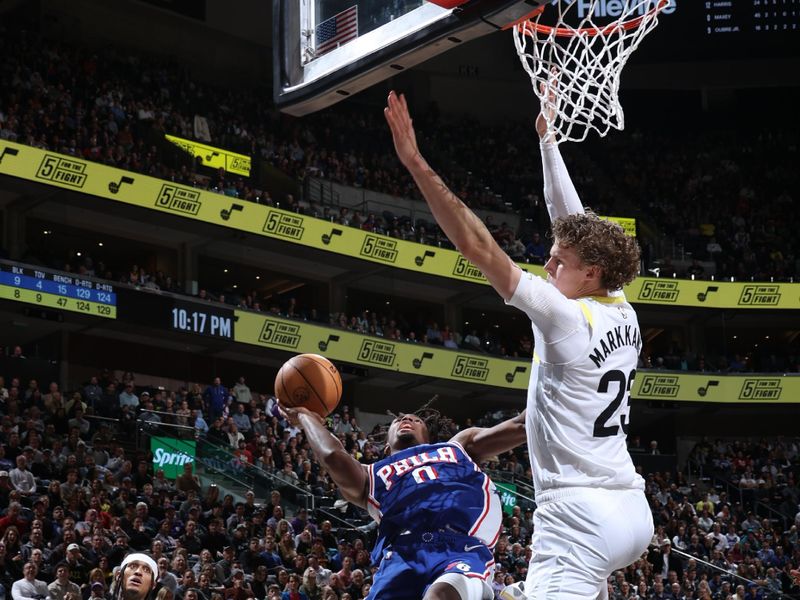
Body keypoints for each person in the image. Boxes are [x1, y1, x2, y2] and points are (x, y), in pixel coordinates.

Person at [384, 90, 653, 600]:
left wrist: (416, 163)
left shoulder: (564, 317)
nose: (547, 266)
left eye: (558, 262)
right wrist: (547, 142)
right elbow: (570, 220)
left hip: (577, 519)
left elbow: (478, 246)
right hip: (630, 509)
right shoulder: (618, 301)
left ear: (589, 272)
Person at [279, 403, 526, 600]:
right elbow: (333, 455)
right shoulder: (370, 474)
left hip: (459, 548)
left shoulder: (457, 447)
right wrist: (305, 417)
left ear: (429, 437)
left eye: (415, 420)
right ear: (386, 446)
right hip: (400, 556)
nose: (406, 419)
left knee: (440, 595)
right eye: (398, 420)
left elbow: (520, 425)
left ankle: (487, 592)